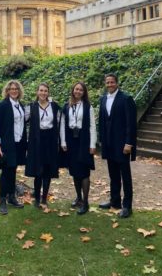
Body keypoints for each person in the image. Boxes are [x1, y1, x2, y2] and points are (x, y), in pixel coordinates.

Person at [98, 73, 137, 218]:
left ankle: (127, 206)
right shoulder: (103, 99)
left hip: (122, 145)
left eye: (112, 82)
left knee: (125, 176)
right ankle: (115, 201)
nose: (109, 84)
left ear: (117, 83)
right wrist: (101, 140)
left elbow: (131, 124)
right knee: (113, 174)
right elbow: (102, 122)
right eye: (107, 82)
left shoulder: (126, 99)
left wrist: (129, 143)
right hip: (108, 144)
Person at [60, 82, 96, 215]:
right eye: (76, 89)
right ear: (73, 90)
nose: (78, 91)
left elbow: (92, 126)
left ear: (84, 92)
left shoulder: (88, 107)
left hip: (84, 141)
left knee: (84, 171)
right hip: (71, 141)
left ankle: (86, 202)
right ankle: (79, 198)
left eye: (81, 90)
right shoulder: (66, 106)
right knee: (74, 171)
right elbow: (63, 125)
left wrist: (92, 144)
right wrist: (63, 141)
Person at [0, 80, 27, 215]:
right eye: (11, 89)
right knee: (6, 172)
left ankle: (12, 197)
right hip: (7, 144)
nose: (14, 91)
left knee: (13, 170)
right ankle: (2, 200)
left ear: (19, 91)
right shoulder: (3, 106)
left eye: (16, 89)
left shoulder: (21, 106)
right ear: (7, 91)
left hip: (18, 144)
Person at [25, 83, 61, 208]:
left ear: (48, 93)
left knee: (47, 170)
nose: (43, 93)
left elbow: (60, 123)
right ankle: (37, 199)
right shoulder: (31, 107)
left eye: (45, 91)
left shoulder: (54, 106)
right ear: (37, 92)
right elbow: (21, 121)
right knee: (38, 171)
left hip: (50, 141)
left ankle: (45, 198)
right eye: (41, 90)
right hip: (36, 141)